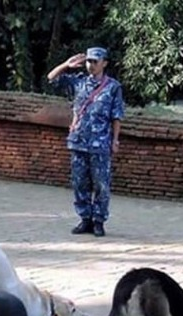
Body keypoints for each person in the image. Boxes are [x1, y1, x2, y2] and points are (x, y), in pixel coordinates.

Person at [47, 47, 125, 237]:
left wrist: (115, 140)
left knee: (101, 184)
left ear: (104, 63)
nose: (91, 65)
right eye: (89, 61)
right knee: (79, 182)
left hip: (101, 143)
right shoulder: (79, 82)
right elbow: (51, 78)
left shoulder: (113, 87)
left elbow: (117, 116)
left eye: (95, 62)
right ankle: (85, 219)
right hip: (78, 141)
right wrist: (67, 64)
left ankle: (99, 221)